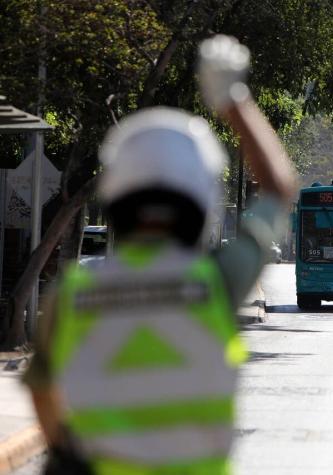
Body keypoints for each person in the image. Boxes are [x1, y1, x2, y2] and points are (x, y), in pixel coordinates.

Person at [23, 35, 296, 474]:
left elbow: (41, 388)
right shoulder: (217, 283)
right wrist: (234, 100)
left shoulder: (73, 291)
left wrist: (67, 453)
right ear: (205, 199)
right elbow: (279, 192)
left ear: (114, 196)